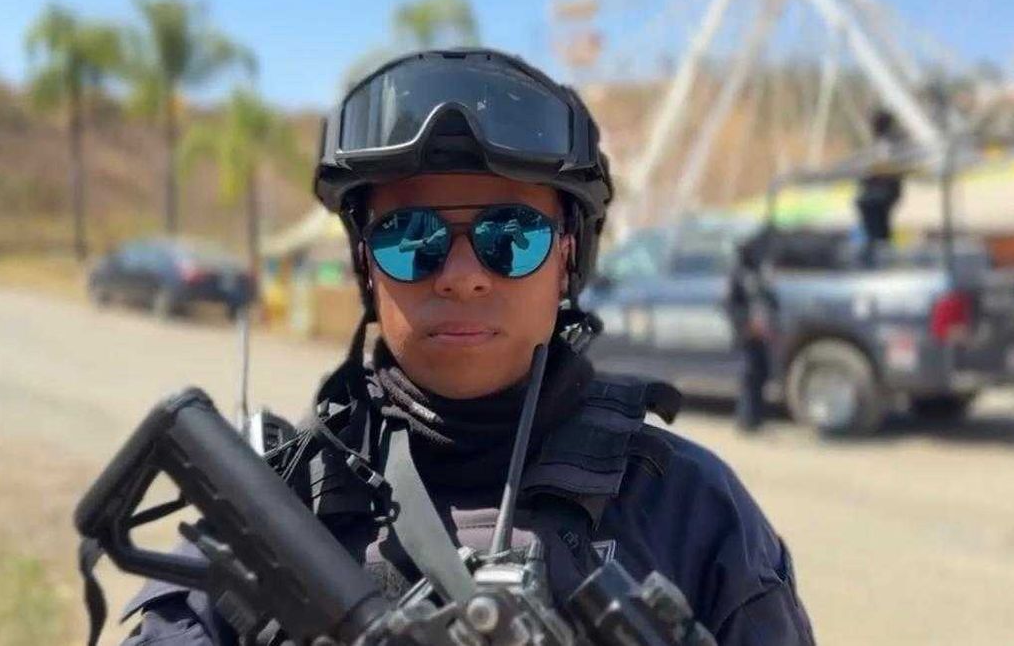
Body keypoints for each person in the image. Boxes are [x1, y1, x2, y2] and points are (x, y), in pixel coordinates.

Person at [121, 49, 815, 645]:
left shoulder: (690, 508)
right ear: (365, 263)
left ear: (566, 257)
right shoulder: (271, 510)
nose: (460, 277)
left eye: (510, 236)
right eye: (409, 238)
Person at [727, 227, 779, 432]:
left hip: (763, 332)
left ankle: (757, 418)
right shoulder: (738, 275)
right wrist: (746, 325)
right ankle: (745, 420)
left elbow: (771, 300)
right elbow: (731, 305)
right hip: (747, 333)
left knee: (762, 374)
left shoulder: (760, 274)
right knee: (749, 376)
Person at [855, 110, 905, 267]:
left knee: (876, 224)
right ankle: (876, 251)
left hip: (881, 192)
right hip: (880, 191)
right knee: (876, 225)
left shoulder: (888, 144)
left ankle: (877, 255)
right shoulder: (887, 143)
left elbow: (883, 167)